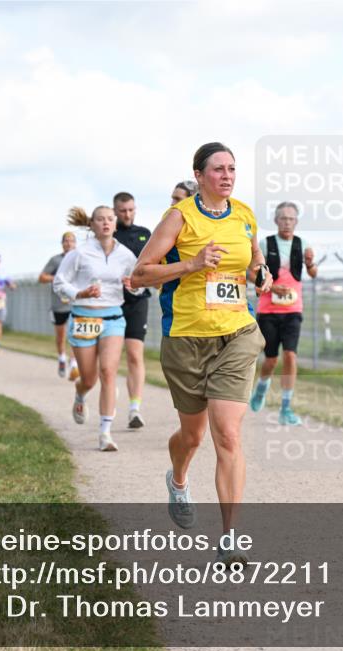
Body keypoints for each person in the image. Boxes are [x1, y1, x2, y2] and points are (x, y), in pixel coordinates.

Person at [131, 142, 271, 566]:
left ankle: (230, 539)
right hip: (187, 338)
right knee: (192, 436)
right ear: (199, 175)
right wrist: (191, 264)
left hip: (237, 332)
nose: (227, 176)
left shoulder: (244, 215)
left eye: (232, 169)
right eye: (218, 169)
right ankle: (178, 479)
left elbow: (253, 260)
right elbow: (140, 275)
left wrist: (260, 274)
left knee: (227, 433)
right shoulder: (179, 217)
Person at [53, 206, 137, 452]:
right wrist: (80, 293)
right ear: (92, 224)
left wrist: (133, 285)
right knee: (89, 379)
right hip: (84, 317)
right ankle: (80, 394)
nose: (106, 223)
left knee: (108, 372)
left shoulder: (126, 255)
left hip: (113, 317)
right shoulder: (79, 253)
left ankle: (105, 433)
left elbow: (138, 284)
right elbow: (59, 282)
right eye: (100, 219)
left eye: (110, 219)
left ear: (115, 224)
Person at [248, 201, 318, 425]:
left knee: (290, 355)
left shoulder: (303, 244)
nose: (287, 222)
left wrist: (310, 264)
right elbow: (251, 273)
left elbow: (313, 273)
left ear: (296, 222)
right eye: (283, 218)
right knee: (270, 360)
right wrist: (271, 287)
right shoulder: (265, 244)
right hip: (268, 310)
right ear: (276, 220)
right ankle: (261, 389)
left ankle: (286, 408)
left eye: (291, 219)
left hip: (293, 310)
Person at [113, 191, 152, 429]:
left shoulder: (145, 234)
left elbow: (153, 266)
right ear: (115, 211)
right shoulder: (109, 235)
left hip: (137, 301)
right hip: (111, 302)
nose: (127, 214)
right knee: (109, 358)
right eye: (122, 211)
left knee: (135, 355)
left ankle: (134, 409)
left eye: (131, 210)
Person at [39, 231, 79, 380]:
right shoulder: (55, 260)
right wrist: (56, 277)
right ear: (62, 244)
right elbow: (42, 277)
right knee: (61, 336)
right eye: (66, 241)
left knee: (75, 334)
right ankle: (62, 358)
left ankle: (73, 363)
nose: (69, 243)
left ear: (75, 243)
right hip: (59, 304)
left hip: (75, 303)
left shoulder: (80, 259)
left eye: (71, 240)